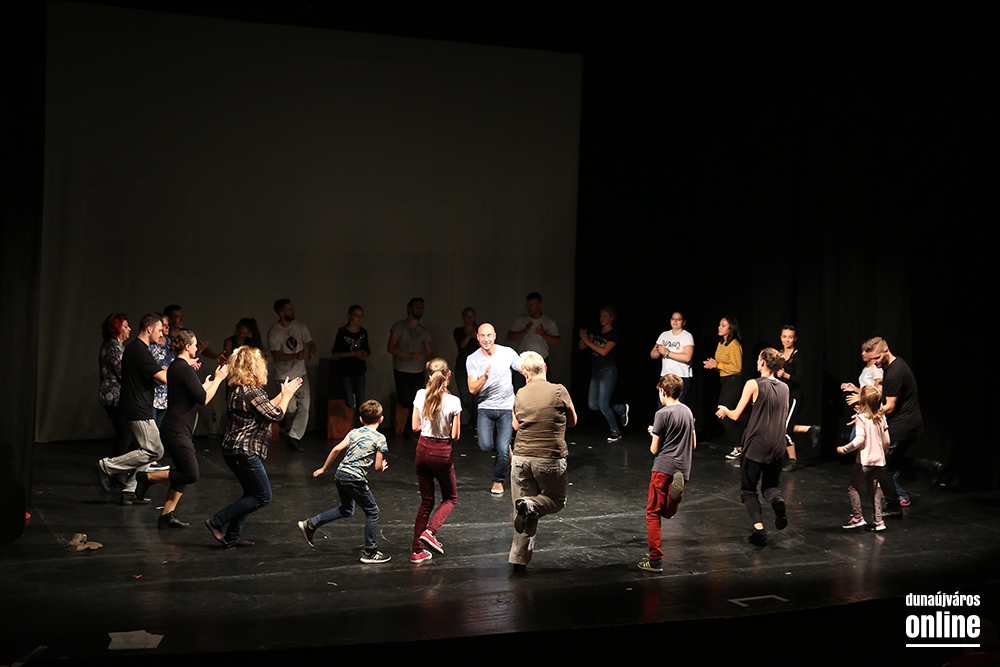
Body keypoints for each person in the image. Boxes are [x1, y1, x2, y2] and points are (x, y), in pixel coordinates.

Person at [205, 346, 301, 548]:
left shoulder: (240, 389)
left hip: (234, 449)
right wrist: (287, 396)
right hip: (243, 451)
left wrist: (283, 394)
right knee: (262, 496)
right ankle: (216, 521)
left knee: (251, 494)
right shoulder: (250, 391)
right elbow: (276, 415)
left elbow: (264, 408)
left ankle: (232, 536)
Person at [134, 329, 228, 528]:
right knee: (191, 474)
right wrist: (219, 379)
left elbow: (195, 393)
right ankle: (146, 478)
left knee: (182, 472)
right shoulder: (183, 368)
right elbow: (203, 399)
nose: (196, 347)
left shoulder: (178, 366)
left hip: (176, 427)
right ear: (187, 347)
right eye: (194, 344)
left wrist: (206, 384)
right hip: (177, 430)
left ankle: (166, 515)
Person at [297, 400, 391, 564]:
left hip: (341, 474)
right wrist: (382, 466)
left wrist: (324, 469)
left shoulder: (354, 432)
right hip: (355, 478)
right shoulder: (380, 439)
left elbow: (336, 449)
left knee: (347, 510)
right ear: (381, 419)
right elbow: (377, 467)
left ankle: (311, 524)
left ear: (360, 419)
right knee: (372, 511)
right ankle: (370, 551)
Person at [509, 351, 577, 573]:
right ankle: (530, 505)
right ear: (545, 368)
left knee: (522, 508)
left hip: (521, 457)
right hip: (549, 457)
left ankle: (518, 561)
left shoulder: (520, 393)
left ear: (525, 374)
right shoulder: (559, 390)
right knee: (556, 500)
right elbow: (573, 420)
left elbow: (516, 425)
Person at [92, 313, 169, 505]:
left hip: (139, 405)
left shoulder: (138, 349)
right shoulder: (138, 350)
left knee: (150, 449)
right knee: (154, 450)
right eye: (159, 330)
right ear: (150, 329)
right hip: (137, 407)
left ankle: (130, 490)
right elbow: (163, 377)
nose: (162, 334)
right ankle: (106, 466)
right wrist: (182, 367)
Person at [716, 347, 789, 547]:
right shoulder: (784, 388)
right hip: (778, 445)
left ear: (763, 362)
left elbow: (736, 415)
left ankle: (759, 529)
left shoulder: (753, 384)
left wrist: (725, 410)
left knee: (748, 490)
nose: (757, 362)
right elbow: (783, 416)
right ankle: (777, 501)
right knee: (770, 488)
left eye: (758, 359)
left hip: (757, 445)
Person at [865, 337, 939, 515]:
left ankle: (894, 506)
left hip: (902, 426)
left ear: (886, 351)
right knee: (894, 461)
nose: (874, 363)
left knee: (880, 466)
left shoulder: (894, 373)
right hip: (910, 423)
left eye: (876, 358)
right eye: (871, 359)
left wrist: (867, 416)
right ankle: (929, 466)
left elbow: (890, 406)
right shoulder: (895, 365)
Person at [639, 374, 696, 573]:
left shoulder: (661, 414)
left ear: (663, 392)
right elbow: (693, 443)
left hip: (663, 467)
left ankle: (655, 560)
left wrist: (655, 434)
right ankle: (674, 496)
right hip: (682, 468)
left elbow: (654, 449)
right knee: (667, 512)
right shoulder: (687, 411)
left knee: (653, 513)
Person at [409, 358, 461, 564]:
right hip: (441, 451)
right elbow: (455, 435)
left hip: (422, 449)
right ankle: (430, 531)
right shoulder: (454, 401)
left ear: (429, 375)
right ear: (449, 375)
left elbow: (415, 426)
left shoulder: (420, 395)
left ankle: (417, 551)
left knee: (426, 501)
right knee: (450, 498)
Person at [466, 323, 521, 495]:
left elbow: (524, 370)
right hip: (486, 408)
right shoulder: (472, 359)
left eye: (489, 335)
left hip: (506, 407)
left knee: (503, 449)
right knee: (485, 445)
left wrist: (537, 374)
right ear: (477, 337)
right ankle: (503, 445)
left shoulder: (507, 353)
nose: (486, 339)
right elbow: (472, 388)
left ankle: (498, 480)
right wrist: (484, 377)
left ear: (495, 336)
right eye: (482, 336)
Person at [836, 385, 890, 531]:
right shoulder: (881, 418)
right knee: (873, 488)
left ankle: (858, 517)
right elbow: (886, 441)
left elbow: (859, 440)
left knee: (853, 486)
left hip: (865, 461)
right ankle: (879, 520)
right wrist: (883, 453)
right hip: (878, 461)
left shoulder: (861, 418)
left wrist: (843, 449)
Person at [268, 298, 316, 451]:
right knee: (291, 408)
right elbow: (276, 355)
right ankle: (281, 417)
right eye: (289, 309)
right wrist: (295, 355)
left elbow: (311, 343)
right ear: (281, 313)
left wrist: (311, 352)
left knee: (304, 407)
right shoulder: (275, 332)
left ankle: (294, 437)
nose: (293, 311)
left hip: (301, 374)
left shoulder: (300, 327)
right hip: (284, 376)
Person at [775, 325, 821, 472]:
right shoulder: (778, 354)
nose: (787, 340)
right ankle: (809, 429)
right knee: (780, 427)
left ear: (795, 339)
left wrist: (785, 375)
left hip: (793, 396)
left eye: (790, 337)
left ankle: (793, 460)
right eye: (784, 336)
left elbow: (799, 378)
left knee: (785, 429)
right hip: (781, 396)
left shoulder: (797, 356)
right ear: (780, 337)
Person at [579, 306, 628, 442]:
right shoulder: (596, 331)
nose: (602, 318)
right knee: (593, 405)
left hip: (608, 371)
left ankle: (615, 431)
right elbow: (582, 347)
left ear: (611, 318)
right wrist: (583, 338)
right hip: (596, 371)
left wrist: (587, 341)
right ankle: (620, 408)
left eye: (605, 316)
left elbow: (604, 351)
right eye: (601, 316)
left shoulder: (613, 334)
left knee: (603, 405)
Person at [388, 298, 434, 435]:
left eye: (422, 307)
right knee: (405, 399)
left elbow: (429, 351)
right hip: (401, 369)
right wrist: (410, 354)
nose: (420, 309)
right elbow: (390, 347)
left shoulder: (423, 331)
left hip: (418, 370)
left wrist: (437, 365)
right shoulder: (399, 327)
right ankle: (407, 426)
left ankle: (411, 428)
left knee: (417, 400)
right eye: (417, 307)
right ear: (409, 308)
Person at [703, 316, 744, 460]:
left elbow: (737, 368)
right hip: (725, 381)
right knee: (728, 415)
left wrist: (717, 365)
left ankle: (739, 448)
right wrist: (713, 365)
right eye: (719, 325)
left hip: (734, 382)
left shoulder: (734, 345)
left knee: (723, 415)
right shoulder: (722, 343)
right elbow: (722, 364)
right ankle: (742, 444)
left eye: (723, 325)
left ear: (730, 328)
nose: (719, 327)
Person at [507, 292, 560, 392]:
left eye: (531, 305)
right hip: (523, 361)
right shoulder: (521, 320)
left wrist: (543, 334)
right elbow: (509, 337)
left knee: (542, 390)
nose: (529, 308)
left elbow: (557, 341)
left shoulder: (548, 322)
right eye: (527, 305)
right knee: (519, 389)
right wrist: (524, 331)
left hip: (541, 361)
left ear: (539, 305)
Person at [98, 312, 134, 457]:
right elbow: (123, 372)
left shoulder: (115, 346)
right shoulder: (113, 347)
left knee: (126, 434)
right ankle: (115, 466)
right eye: (125, 326)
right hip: (115, 397)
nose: (129, 329)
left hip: (115, 396)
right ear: (117, 329)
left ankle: (117, 466)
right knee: (125, 434)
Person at [331, 305, 371, 427]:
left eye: (361, 315)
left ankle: (358, 427)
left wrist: (364, 354)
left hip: (359, 370)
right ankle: (352, 423)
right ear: (350, 316)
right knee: (349, 400)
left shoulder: (363, 332)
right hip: (346, 370)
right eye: (356, 315)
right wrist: (353, 354)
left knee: (361, 401)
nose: (359, 318)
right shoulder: (342, 332)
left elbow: (367, 349)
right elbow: (336, 353)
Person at [650, 311, 694, 404]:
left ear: (684, 322)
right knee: (662, 405)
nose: (675, 321)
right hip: (666, 376)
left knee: (676, 406)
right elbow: (652, 355)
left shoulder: (687, 336)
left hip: (680, 377)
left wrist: (667, 353)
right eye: (673, 319)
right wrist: (658, 351)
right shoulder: (664, 335)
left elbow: (687, 357)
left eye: (678, 319)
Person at [453, 307, 479, 430]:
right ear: (463, 318)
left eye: (472, 316)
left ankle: (476, 422)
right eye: (467, 316)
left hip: (476, 368)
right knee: (465, 398)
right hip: (461, 368)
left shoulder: (479, 331)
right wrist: (469, 335)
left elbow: (483, 347)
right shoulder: (458, 331)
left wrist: (477, 337)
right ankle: (476, 417)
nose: (470, 319)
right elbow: (461, 345)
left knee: (476, 398)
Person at [149, 314, 176, 429]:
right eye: (164, 325)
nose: (167, 327)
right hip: (153, 391)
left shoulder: (171, 342)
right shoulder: (150, 344)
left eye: (168, 325)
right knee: (152, 427)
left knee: (162, 426)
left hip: (166, 391)